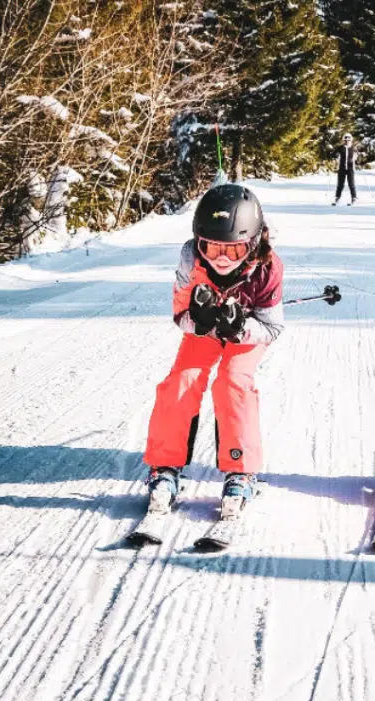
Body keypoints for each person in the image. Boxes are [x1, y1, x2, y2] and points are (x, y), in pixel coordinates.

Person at [143, 184, 285, 515]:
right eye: (211, 246)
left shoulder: (268, 269)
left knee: (233, 381)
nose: (221, 258)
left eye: (233, 251)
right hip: (205, 331)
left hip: (245, 335)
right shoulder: (191, 259)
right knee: (182, 379)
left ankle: (241, 470)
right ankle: (164, 466)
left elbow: (272, 327)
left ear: (252, 244)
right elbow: (179, 313)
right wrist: (200, 322)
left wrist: (239, 329)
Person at [333, 133, 358, 206]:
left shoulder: (353, 148)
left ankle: (354, 198)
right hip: (342, 168)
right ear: (343, 140)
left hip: (350, 168)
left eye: (348, 140)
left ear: (351, 140)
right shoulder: (340, 148)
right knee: (340, 184)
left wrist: (356, 159)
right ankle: (337, 198)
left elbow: (357, 157)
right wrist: (336, 156)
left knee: (351, 184)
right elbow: (334, 154)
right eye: (345, 140)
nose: (347, 142)